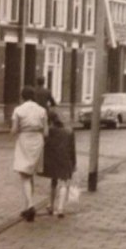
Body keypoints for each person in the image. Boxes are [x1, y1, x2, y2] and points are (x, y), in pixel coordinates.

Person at [10, 86, 48, 222]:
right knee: (30, 174)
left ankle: (31, 206)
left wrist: (14, 131)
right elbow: (46, 132)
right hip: (37, 141)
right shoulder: (42, 110)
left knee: (24, 175)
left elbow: (14, 130)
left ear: (22, 96)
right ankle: (26, 207)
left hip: (24, 140)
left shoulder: (18, 110)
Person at [42, 113, 77, 218]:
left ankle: (51, 205)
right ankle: (60, 208)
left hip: (53, 160)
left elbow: (45, 146)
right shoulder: (69, 131)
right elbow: (72, 149)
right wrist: (74, 163)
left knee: (53, 181)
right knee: (64, 182)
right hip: (65, 159)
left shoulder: (49, 131)